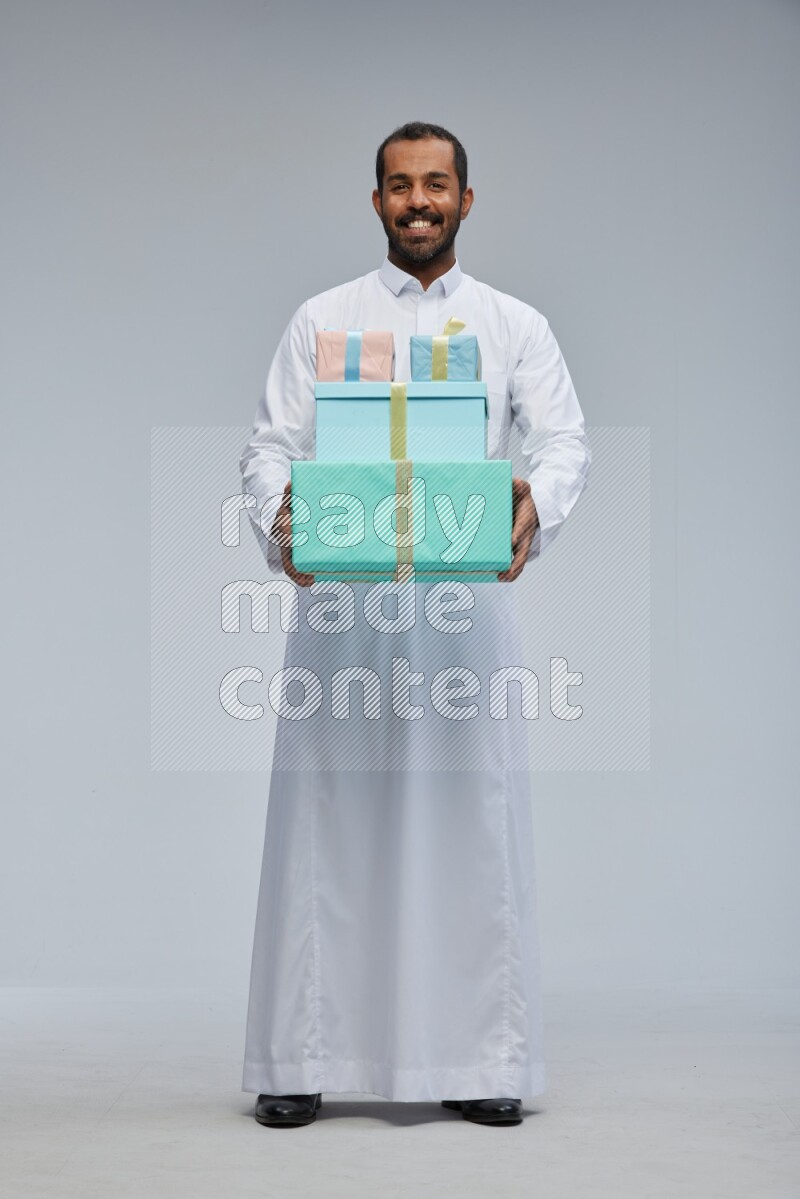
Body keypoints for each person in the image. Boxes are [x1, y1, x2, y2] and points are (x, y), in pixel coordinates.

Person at [239, 121, 590, 1128]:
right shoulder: (322, 318)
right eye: (400, 185)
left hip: (460, 615)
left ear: (465, 200)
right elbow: (268, 446)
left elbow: (563, 440)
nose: (418, 201)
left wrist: (536, 503)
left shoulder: (513, 324)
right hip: (343, 611)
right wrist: (280, 514)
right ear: (377, 201)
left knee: (466, 822)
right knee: (328, 819)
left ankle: (478, 1059)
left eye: (436, 184)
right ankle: (300, 1054)